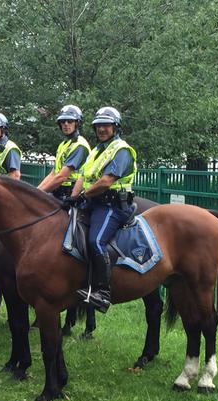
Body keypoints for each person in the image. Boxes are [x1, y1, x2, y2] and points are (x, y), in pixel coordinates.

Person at [66, 106, 137, 314]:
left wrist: (82, 196)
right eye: (98, 126)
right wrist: (72, 198)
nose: (102, 129)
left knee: (95, 241)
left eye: (106, 125)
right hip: (94, 203)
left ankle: (102, 292)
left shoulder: (121, 150)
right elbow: (82, 177)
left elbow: (106, 181)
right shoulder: (97, 151)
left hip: (113, 206)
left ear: (115, 127)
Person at [37, 105, 90, 199]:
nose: (66, 124)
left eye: (70, 121)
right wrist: (35, 192)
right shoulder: (63, 144)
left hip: (72, 195)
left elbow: (62, 176)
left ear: (77, 123)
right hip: (59, 192)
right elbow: (53, 174)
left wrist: (38, 194)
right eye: (63, 121)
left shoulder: (79, 145)